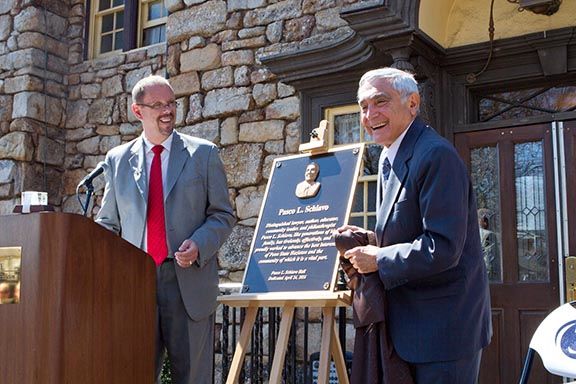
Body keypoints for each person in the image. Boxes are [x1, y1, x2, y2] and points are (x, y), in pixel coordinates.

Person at [337, 67, 492, 383]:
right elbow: (407, 229)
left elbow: (442, 246)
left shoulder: (436, 155)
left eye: (380, 102)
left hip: (443, 333)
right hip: (408, 328)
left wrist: (377, 259)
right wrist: (371, 240)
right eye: (363, 107)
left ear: (413, 103)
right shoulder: (387, 157)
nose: (370, 115)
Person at [96, 75, 235, 384]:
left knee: (192, 378)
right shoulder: (116, 161)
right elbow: (108, 223)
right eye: (157, 104)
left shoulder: (204, 154)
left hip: (187, 284)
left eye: (171, 103)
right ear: (137, 111)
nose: (168, 111)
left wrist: (199, 244)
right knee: (133, 375)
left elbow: (223, 215)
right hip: (136, 284)